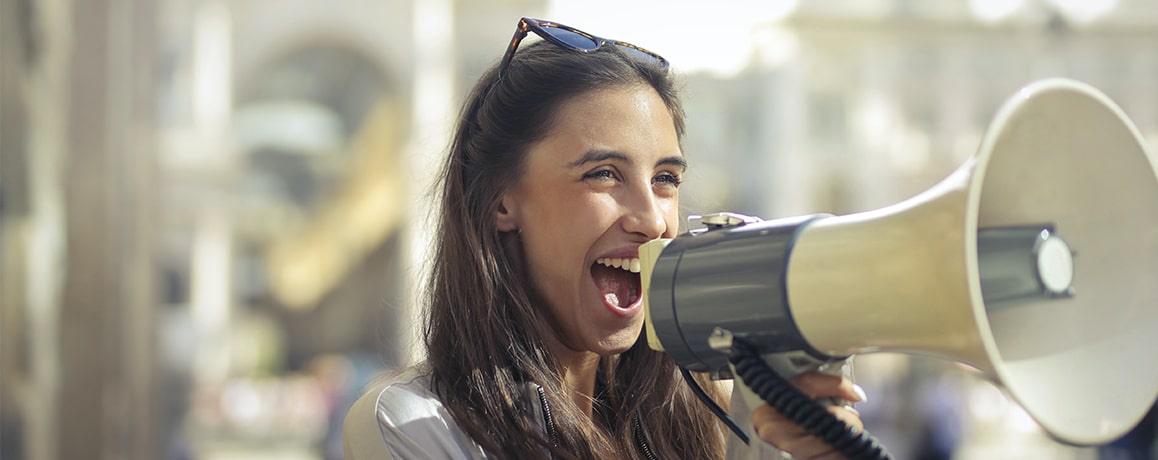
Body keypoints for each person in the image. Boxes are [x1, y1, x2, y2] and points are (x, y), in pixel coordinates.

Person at [342, 17, 867, 459]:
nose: (652, 219)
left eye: (665, 180)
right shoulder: (411, 425)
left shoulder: (717, 415)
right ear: (502, 200)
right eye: (604, 174)